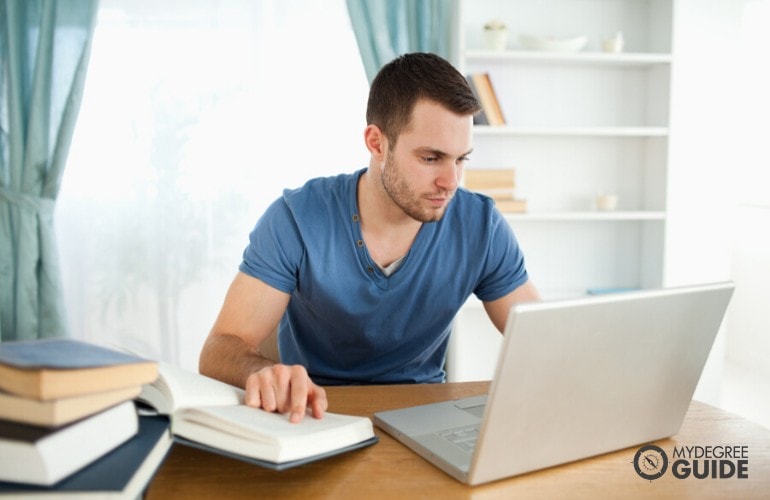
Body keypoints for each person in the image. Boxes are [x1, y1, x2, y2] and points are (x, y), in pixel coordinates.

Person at [199, 52, 539, 423]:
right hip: (313, 414)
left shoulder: (481, 226)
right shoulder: (296, 218)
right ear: (377, 143)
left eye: (460, 160)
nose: (451, 182)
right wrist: (257, 372)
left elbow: (543, 339)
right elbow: (219, 348)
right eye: (431, 158)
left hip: (425, 416)